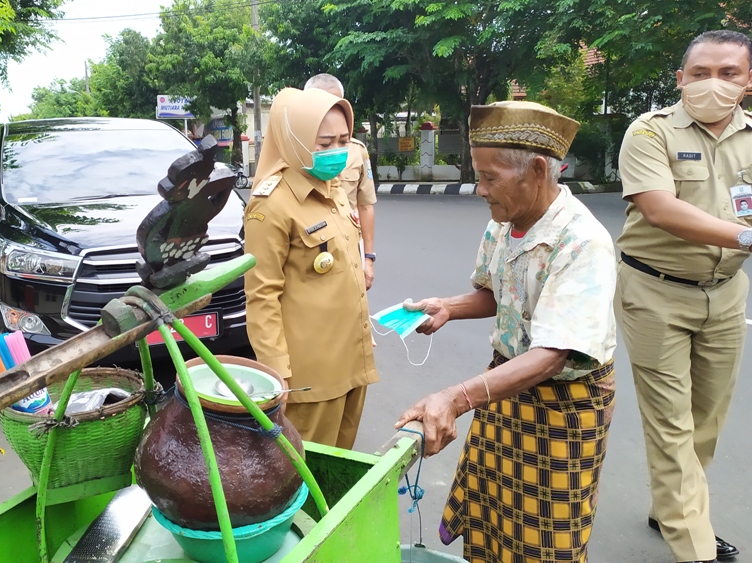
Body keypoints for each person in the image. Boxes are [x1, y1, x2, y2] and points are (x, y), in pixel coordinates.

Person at [396, 101, 617, 562]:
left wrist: (456, 399)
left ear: (538, 170)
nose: (480, 190)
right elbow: (499, 294)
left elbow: (554, 354)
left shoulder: (581, 241)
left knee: (546, 538)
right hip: (504, 389)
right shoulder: (504, 223)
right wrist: (449, 308)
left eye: (490, 178)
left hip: (563, 407)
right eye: (478, 176)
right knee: (492, 516)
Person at [616, 30, 752, 563]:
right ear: (680, 79)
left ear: (748, 82)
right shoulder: (649, 132)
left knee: (707, 419)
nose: (712, 84)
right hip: (655, 291)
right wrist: (746, 236)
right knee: (671, 423)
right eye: (700, 74)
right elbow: (659, 209)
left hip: (726, 293)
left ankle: (672, 506)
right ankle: (694, 546)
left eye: (728, 74)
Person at [243, 87, 377, 449]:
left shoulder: (333, 188)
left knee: (340, 467)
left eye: (344, 140)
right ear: (297, 140)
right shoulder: (270, 205)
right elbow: (261, 295)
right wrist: (277, 372)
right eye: (324, 143)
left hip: (352, 363)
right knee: (304, 475)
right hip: (309, 379)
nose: (336, 151)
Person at [303, 73, 378, 290]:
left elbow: (365, 205)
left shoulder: (356, 151)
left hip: (350, 248)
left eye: (336, 105)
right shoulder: (296, 152)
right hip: (309, 255)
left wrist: (368, 258)